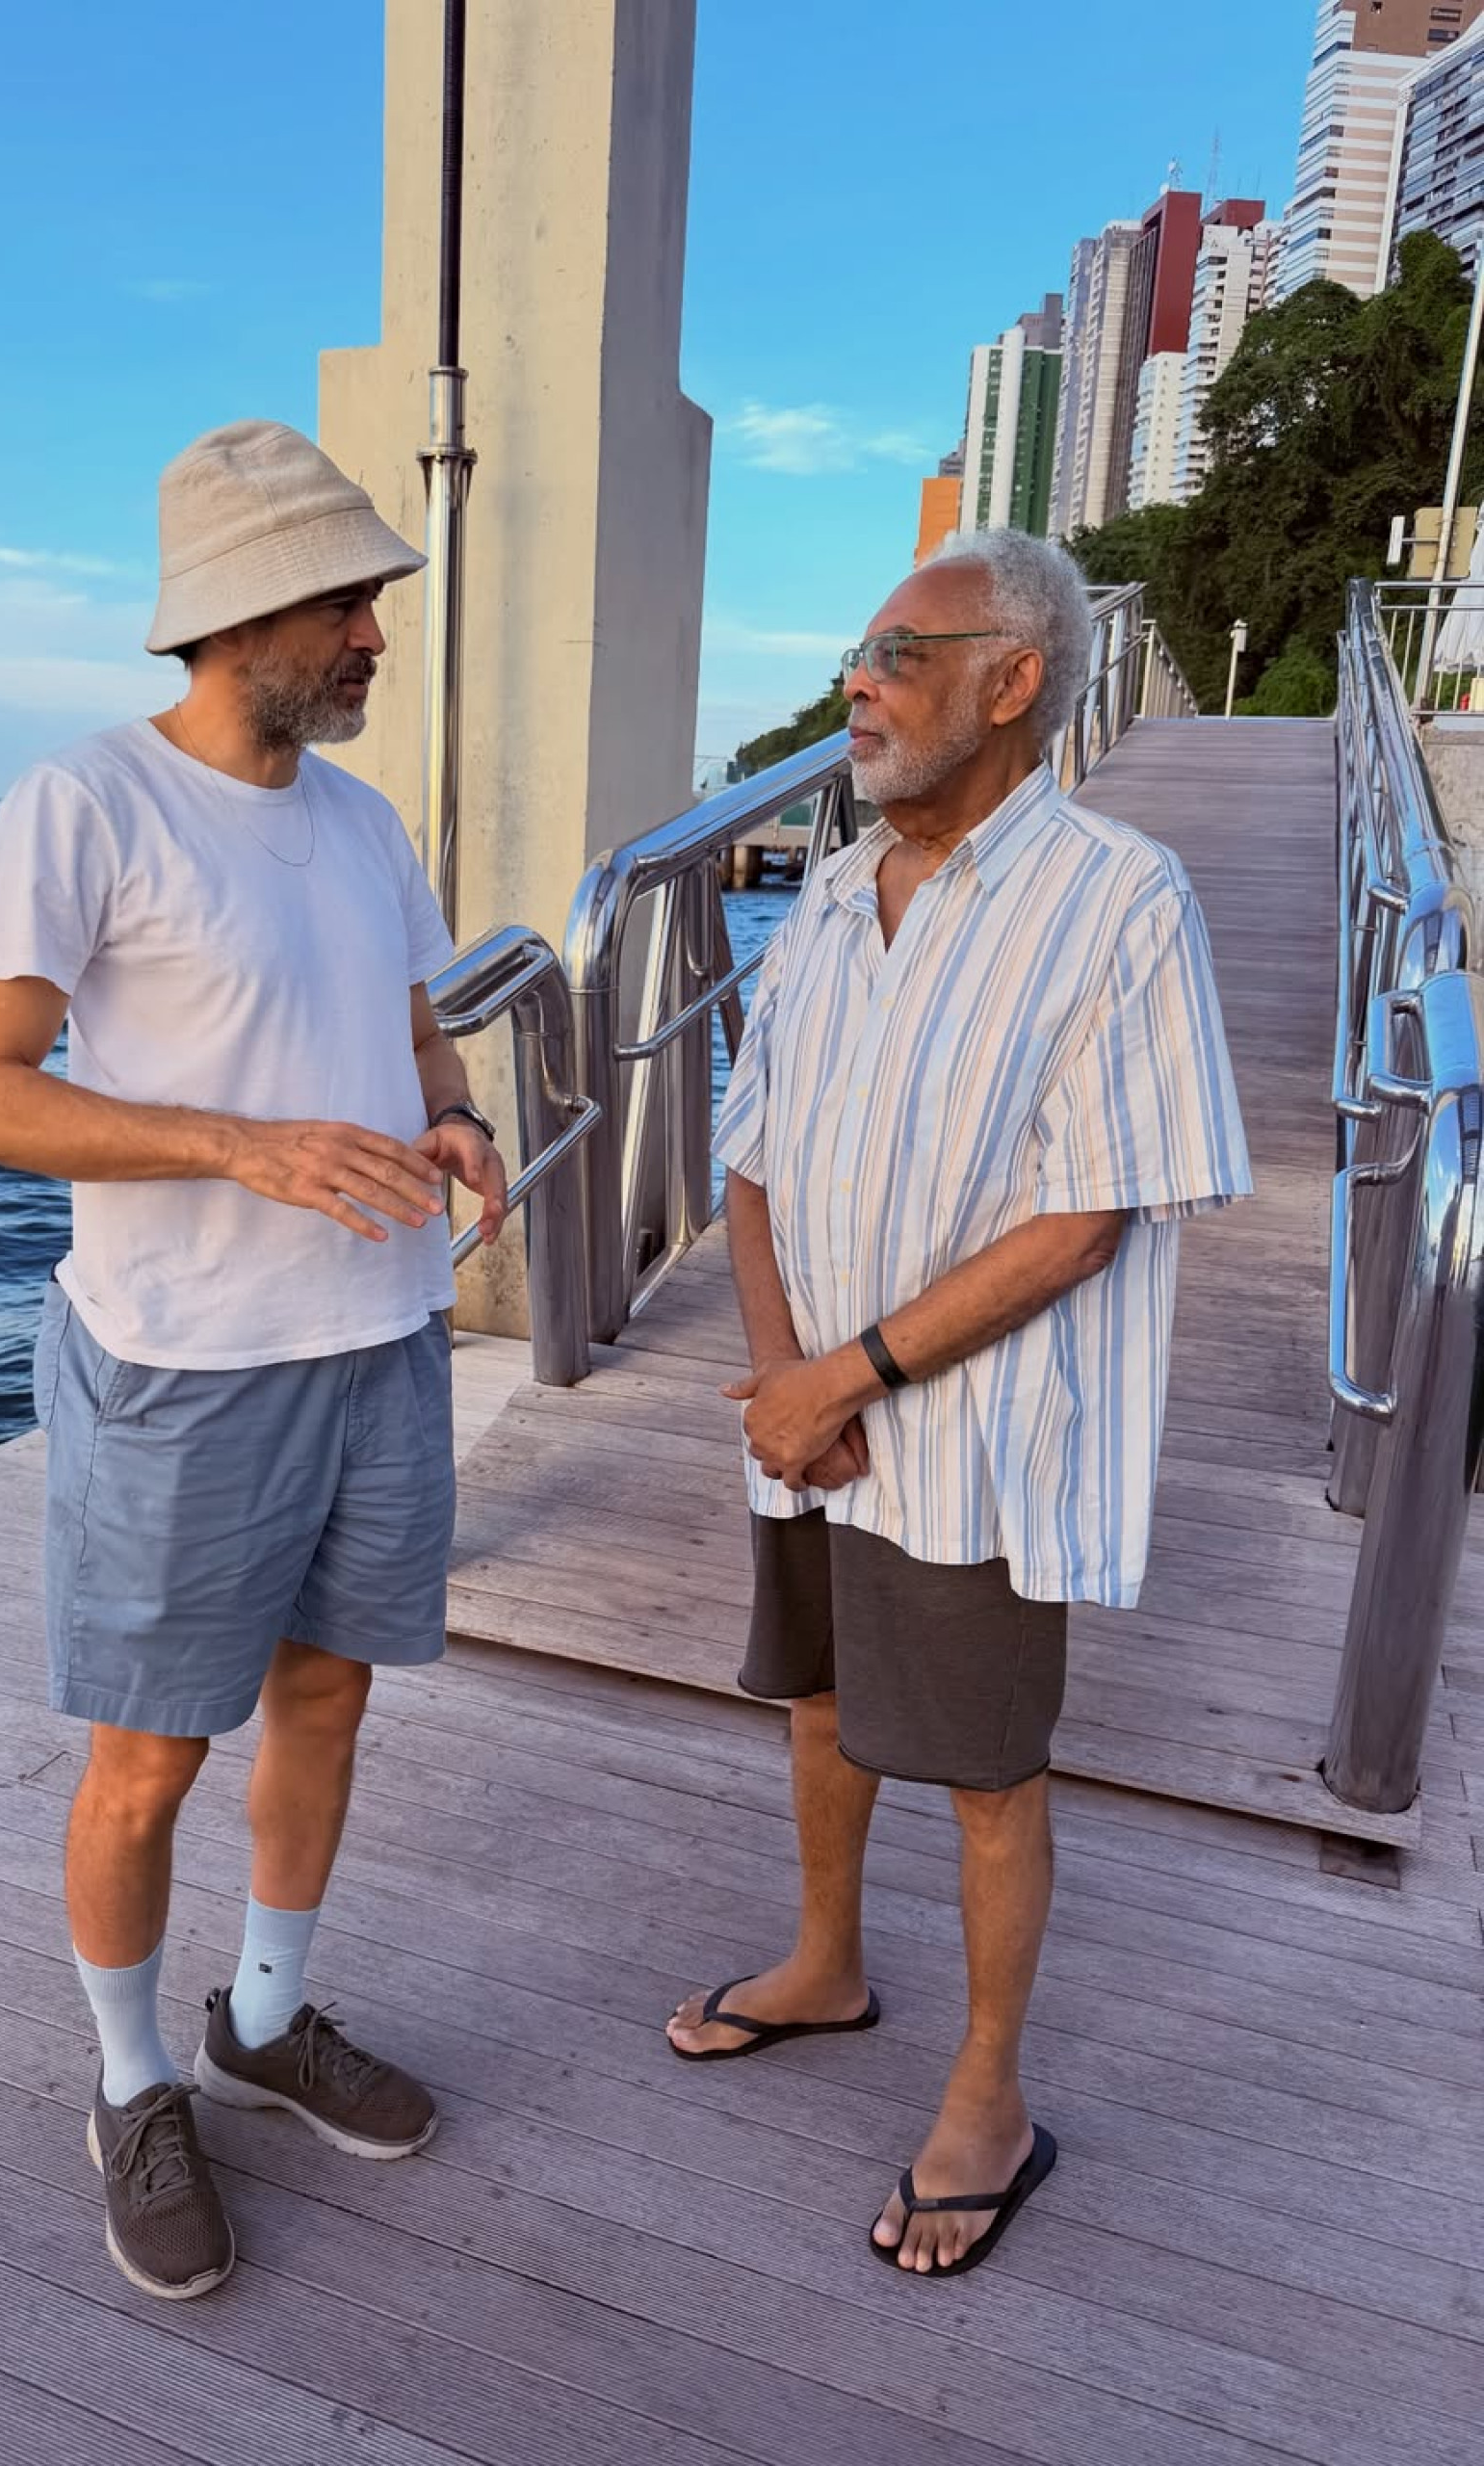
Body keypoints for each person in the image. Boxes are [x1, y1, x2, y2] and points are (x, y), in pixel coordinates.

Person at [0, 420, 507, 2300]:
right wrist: (240, 1143)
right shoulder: (83, 804)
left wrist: (457, 1117)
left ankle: (265, 2013)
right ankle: (130, 2076)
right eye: (353, 601)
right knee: (146, 1759)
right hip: (183, 1371)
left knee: (328, 1698)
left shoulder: (364, 821)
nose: (375, 635)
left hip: (379, 1342)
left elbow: (415, 1031)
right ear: (251, 610)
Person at [664, 530, 1251, 2280]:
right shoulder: (836, 893)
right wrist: (788, 1381)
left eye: (902, 653)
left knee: (990, 1768)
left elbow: (1090, 1213)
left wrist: (851, 1376)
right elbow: (752, 1155)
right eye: (861, 646)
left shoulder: (1120, 897)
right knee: (822, 1694)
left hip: (976, 1440)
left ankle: (990, 2098)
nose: (860, 677)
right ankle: (828, 1961)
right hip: (810, 1419)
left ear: (1013, 682)